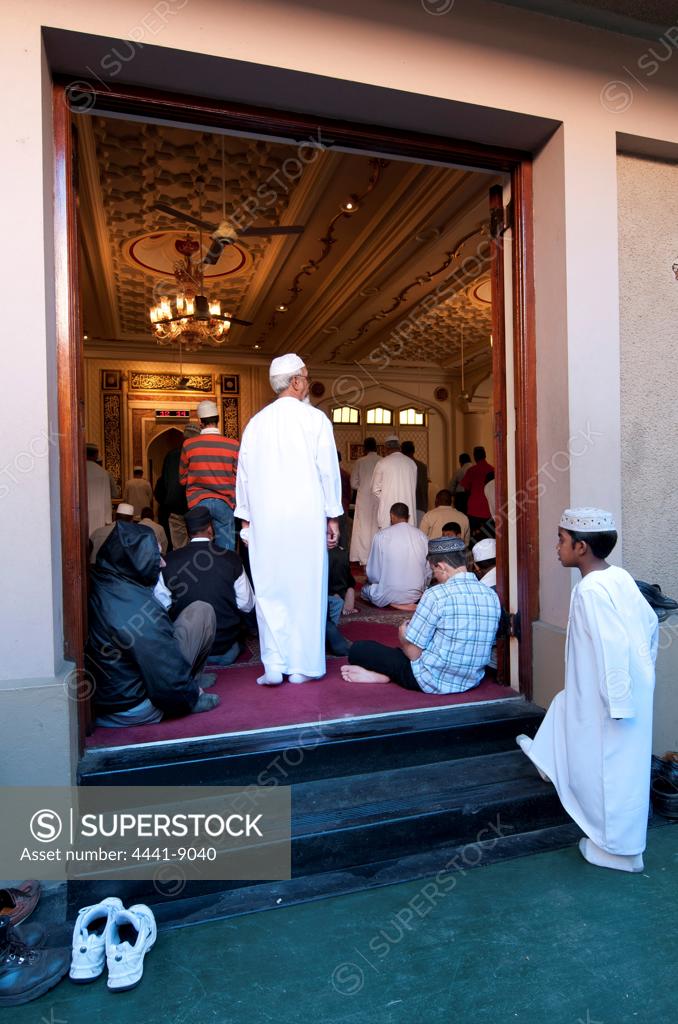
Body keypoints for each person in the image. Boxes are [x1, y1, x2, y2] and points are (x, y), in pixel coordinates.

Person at [516, 507, 659, 873]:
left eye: (561, 540)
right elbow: (649, 627)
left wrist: (618, 701)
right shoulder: (620, 577)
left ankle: (616, 850)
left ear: (581, 547)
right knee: (564, 706)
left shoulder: (591, 591)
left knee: (609, 772)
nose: (556, 546)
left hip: (611, 699)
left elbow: (611, 646)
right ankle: (546, 759)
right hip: (621, 691)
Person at [235, 353, 343, 685]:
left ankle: (274, 663)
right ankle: (302, 667)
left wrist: (246, 520)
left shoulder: (256, 422)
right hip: (305, 520)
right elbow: (329, 472)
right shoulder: (315, 420)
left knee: (270, 589)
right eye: (306, 377)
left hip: (267, 521)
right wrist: (333, 516)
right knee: (307, 590)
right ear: (295, 382)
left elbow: (244, 476)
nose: (308, 382)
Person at [86, 521, 220, 727]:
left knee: (196, 611)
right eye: (156, 556)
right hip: (132, 706)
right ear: (137, 561)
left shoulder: (105, 579)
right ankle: (191, 687)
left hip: (111, 695)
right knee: (202, 611)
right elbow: (165, 670)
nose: (164, 563)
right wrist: (190, 697)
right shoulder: (140, 610)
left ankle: (190, 681)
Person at [342, 536, 500, 692]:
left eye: (433, 571)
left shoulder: (436, 595)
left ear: (441, 567)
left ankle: (386, 676)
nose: (435, 576)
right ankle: (387, 674)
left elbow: (413, 655)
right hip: (471, 680)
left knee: (360, 649)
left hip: (430, 680)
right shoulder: (491, 594)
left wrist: (403, 636)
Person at [164, 505, 255, 667]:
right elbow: (247, 605)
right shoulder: (231, 558)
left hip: (186, 652)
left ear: (187, 532)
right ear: (210, 529)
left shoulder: (169, 561)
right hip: (224, 651)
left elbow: (162, 607)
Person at [179, 400, 239, 551]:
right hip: (224, 503)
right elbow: (239, 479)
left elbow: (182, 479)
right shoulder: (233, 445)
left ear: (200, 421)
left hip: (198, 502)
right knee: (225, 551)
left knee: (200, 548)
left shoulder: (189, 445)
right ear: (218, 419)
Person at [361, 503, 428, 608]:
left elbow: (374, 574)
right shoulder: (421, 536)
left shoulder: (381, 535)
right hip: (415, 595)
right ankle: (405, 603)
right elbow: (427, 570)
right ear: (408, 517)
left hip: (387, 594)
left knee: (365, 590)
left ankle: (393, 603)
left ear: (391, 516)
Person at [155, 424, 199, 550]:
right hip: (194, 507)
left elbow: (164, 483)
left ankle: (181, 568)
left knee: (179, 548)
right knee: (197, 546)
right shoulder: (197, 455)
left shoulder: (171, 455)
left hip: (174, 508)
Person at [370, 436, 417, 530]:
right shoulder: (411, 463)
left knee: (388, 541)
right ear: (399, 447)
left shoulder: (382, 463)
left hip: (389, 511)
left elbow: (374, 489)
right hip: (408, 512)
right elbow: (413, 488)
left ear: (386, 449)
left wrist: (386, 496)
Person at [349, 437, 382, 565]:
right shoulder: (382, 460)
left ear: (365, 448)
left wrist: (362, 487)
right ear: (376, 447)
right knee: (376, 526)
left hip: (363, 498)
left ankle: (363, 558)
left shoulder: (360, 461)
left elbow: (353, 483)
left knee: (363, 528)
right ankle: (376, 558)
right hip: (379, 498)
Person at [462, 446, 495, 537]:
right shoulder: (492, 469)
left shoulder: (472, 470)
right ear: (485, 455)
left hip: (474, 509)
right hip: (488, 508)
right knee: (488, 535)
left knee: (474, 537)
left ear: (475, 457)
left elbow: (465, 488)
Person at [401, 440, 429, 525]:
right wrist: (425, 506)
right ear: (414, 451)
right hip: (419, 504)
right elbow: (424, 488)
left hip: (403, 505)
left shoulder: (400, 465)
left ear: (402, 451)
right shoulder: (422, 466)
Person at [85, 443, 112, 534]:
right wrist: (108, 520)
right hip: (99, 513)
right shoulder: (103, 473)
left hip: (82, 513)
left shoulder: (78, 470)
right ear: (96, 455)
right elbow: (107, 499)